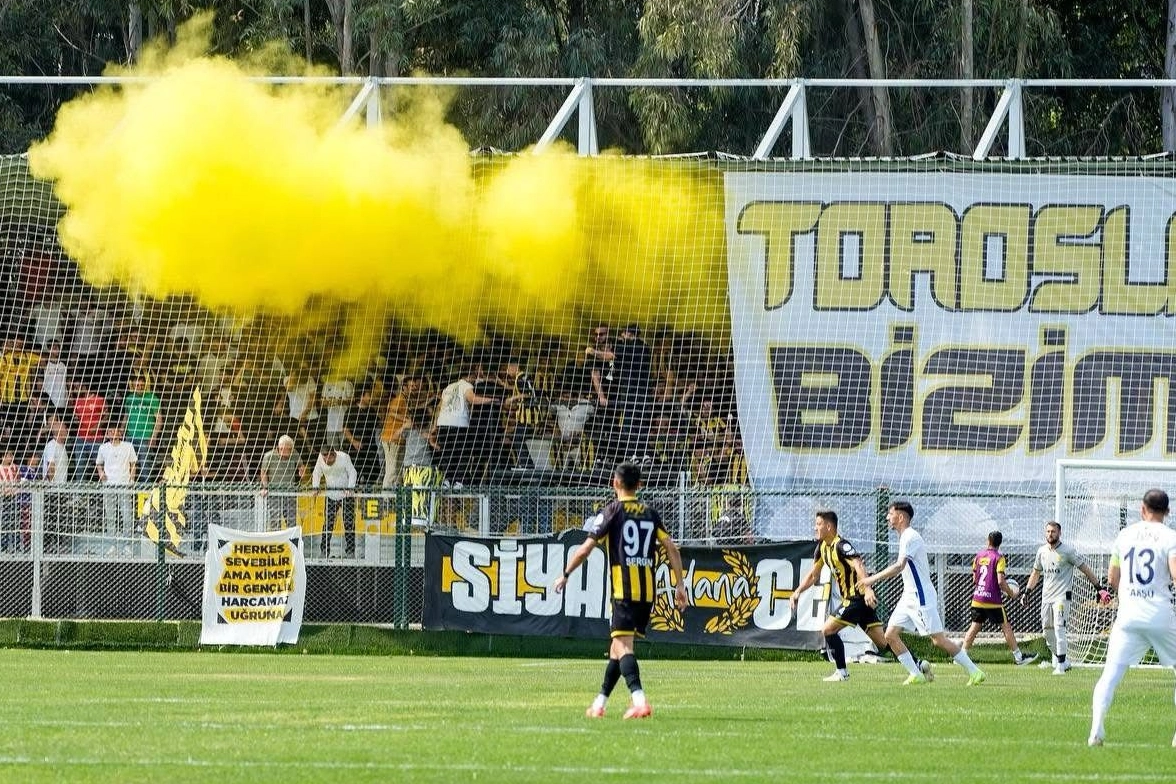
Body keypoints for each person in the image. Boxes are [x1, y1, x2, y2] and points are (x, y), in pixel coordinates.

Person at [553, 461, 688, 719]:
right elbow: (671, 547)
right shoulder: (650, 514)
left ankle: (639, 701)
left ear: (615, 483)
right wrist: (680, 585)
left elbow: (585, 549)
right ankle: (599, 704)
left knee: (624, 647)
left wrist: (566, 574)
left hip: (623, 591)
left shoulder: (612, 512)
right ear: (639, 485)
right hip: (647, 593)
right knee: (616, 648)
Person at [860, 501, 986, 685]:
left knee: (938, 640)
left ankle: (975, 672)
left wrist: (871, 579)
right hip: (908, 596)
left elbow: (899, 566)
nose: (887, 517)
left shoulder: (910, 536)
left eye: (890, 513)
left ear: (900, 517)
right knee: (890, 635)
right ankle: (916, 674)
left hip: (920, 597)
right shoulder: (904, 537)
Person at [1088, 488, 1176, 747]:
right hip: (1160, 615)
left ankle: (1096, 730)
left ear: (1142, 508)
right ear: (1168, 511)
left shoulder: (1125, 535)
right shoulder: (1170, 537)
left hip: (1128, 615)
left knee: (1110, 675)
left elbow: (1112, 578)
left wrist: (1129, 594)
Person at [789, 510, 891, 681]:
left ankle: (842, 672)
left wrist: (867, 589)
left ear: (829, 526)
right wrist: (798, 591)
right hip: (858, 602)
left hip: (855, 599)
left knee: (827, 630)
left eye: (818, 524)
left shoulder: (842, 545)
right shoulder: (822, 548)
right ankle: (917, 663)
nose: (815, 528)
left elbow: (858, 564)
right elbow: (813, 575)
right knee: (884, 642)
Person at [1019, 519, 1103, 674]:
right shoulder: (1041, 551)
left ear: (1059, 533)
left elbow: (1085, 569)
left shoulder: (1068, 551)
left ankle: (1060, 666)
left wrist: (1099, 588)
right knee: (1047, 633)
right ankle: (1064, 661)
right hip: (1046, 597)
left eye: (1053, 531)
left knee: (1059, 628)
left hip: (1062, 596)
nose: (1050, 534)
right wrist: (1027, 592)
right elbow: (1035, 573)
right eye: (1048, 531)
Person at [961, 531, 1037, 666]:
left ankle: (961, 656)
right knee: (1006, 627)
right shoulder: (999, 558)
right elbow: (1001, 581)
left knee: (974, 626)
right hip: (993, 601)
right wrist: (1011, 593)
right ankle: (1019, 657)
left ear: (988, 541)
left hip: (978, 598)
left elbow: (974, 579)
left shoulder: (978, 556)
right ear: (1000, 543)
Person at [311, 445, 357, 558]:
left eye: (329, 459)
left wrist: (350, 488)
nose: (326, 461)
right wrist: (315, 487)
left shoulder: (344, 457)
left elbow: (353, 472)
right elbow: (316, 473)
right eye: (324, 459)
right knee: (328, 524)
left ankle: (350, 551)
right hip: (331, 495)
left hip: (346, 495)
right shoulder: (320, 458)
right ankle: (324, 551)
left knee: (349, 523)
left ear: (334, 455)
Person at [95, 425, 138, 539]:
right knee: (110, 514)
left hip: (124, 484)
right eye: (110, 431)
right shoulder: (103, 448)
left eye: (115, 431)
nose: (113, 433)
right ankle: (111, 541)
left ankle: (127, 540)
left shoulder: (128, 446)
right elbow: (98, 463)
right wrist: (101, 473)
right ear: (107, 434)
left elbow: (133, 464)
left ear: (120, 433)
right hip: (108, 484)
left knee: (127, 514)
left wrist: (132, 480)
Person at [259, 434, 306, 529]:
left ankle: (291, 537)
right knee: (275, 520)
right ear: (279, 448)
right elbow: (263, 473)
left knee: (291, 521)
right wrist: (265, 487)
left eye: (289, 450)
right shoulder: (268, 456)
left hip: (290, 493)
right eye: (283, 450)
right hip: (274, 493)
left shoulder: (294, 453)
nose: (286, 454)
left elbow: (301, 465)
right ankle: (276, 537)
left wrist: (301, 470)